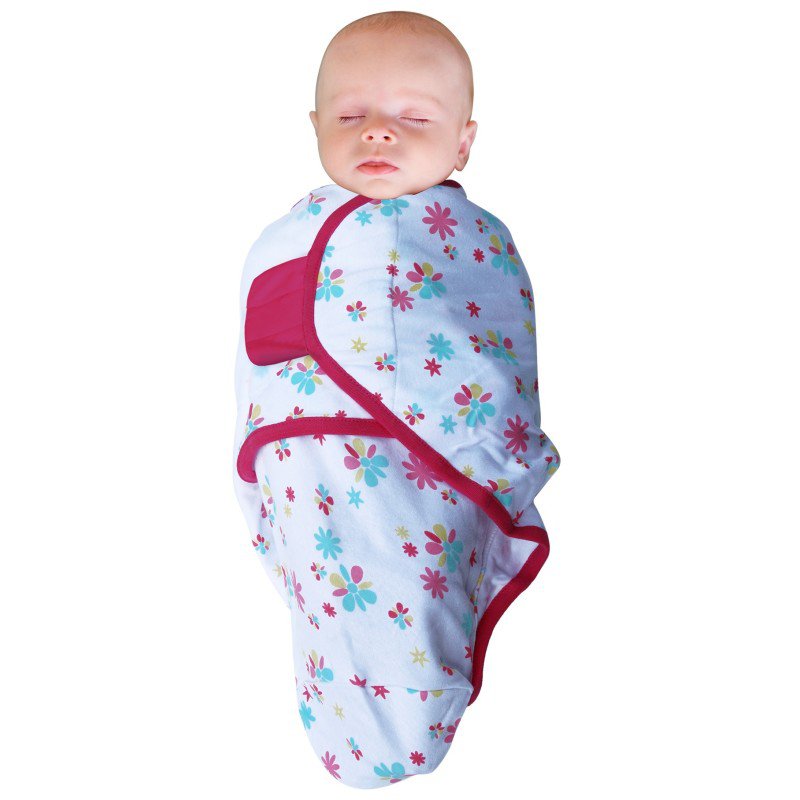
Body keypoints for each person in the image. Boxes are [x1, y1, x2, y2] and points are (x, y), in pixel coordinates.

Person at [233, 11, 560, 788]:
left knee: (416, 590)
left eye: (414, 118)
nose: (378, 132)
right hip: (315, 462)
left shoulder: (475, 242)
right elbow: (255, 374)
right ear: (315, 125)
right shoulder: (288, 235)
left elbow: (498, 354)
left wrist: (491, 448)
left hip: (438, 471)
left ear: (463, 142)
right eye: (352, 115)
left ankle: (410, 707)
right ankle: (365, 715)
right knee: (342, 595)